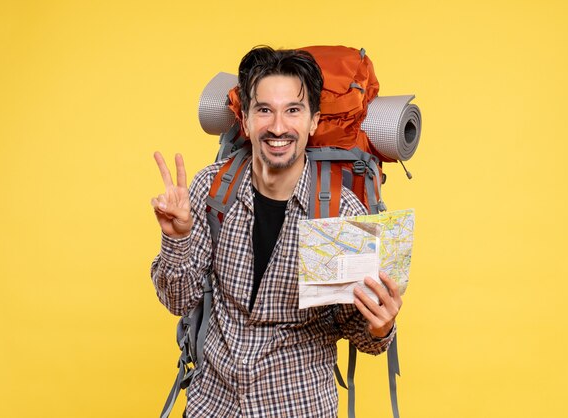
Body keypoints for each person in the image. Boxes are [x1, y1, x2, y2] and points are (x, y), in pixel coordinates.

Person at [150, 46, 402, 417]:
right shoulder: (211, 190)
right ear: (246, 120)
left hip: (296, 406)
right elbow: (178, 301)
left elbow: (358, 331)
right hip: (212, 406)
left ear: (314, 122)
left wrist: (381, 326)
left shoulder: (339, 213)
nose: (278, 127)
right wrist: (178, 238)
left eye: (293, 110)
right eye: (264, 110)